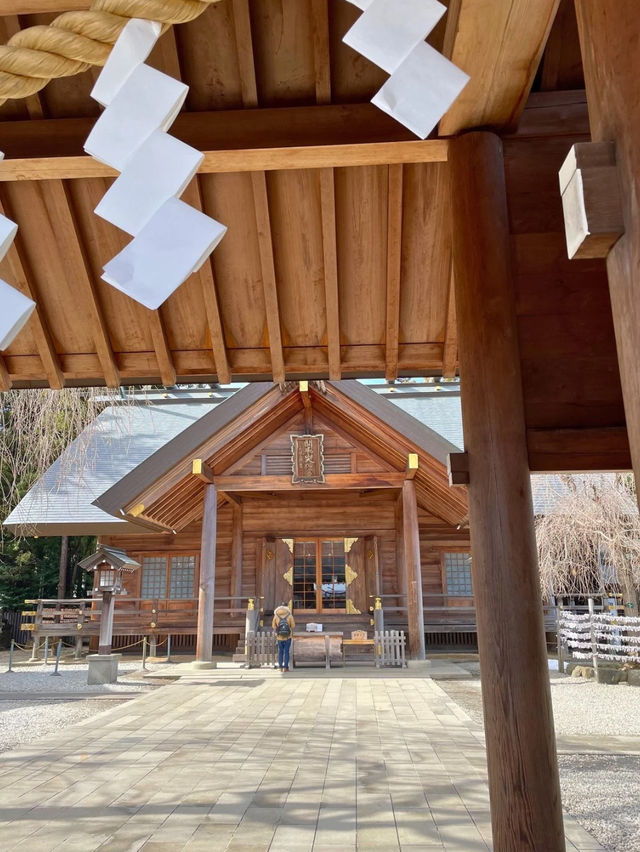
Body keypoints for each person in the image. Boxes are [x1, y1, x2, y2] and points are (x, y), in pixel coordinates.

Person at [272, 603, 295, 672]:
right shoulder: (290, 616)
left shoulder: (276, 615)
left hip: (279, 637)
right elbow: (293, 626)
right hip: (288, 637)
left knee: (280, 652)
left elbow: (274, 626)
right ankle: (286, 668)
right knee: (287, 652)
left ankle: (280, 667)